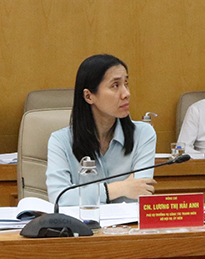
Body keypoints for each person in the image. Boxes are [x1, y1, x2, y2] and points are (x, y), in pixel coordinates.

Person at [46, 54, 157, 205]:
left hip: (127, 220)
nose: (126, 93)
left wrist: (85, 194)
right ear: (89, 96)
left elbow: (140, 192)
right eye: (115, 85)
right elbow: (60, 198)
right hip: (81, 220)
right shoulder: (60, 141)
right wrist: (119, 188)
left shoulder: (143, 134)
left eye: (126, 84)